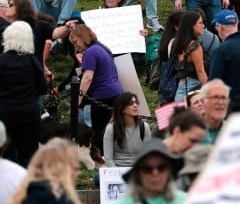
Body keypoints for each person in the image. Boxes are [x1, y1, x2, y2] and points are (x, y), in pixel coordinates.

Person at [71, 23, 124, 157]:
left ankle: (100, 156)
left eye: (75, 41)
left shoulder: (90, 52)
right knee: (112, 128)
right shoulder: (102, 47)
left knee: (99, 130)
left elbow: (87, 77)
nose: (75, 46)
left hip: (102, 94)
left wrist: (78, 98)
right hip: (116, 92)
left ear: (82, 37)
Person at [0, 22, 46, 167]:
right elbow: (43, 88)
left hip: (5, 112)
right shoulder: (32, 60)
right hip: (29, 112)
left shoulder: (1, 60)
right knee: (29, 154)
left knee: (7, 153)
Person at [6, 138, 81, 204]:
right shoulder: (58, 196)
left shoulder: (22, 193)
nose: (79, 173)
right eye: (76, 168)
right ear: (60, 168)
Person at [208, 10, 240, 100]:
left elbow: (213, 83)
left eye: (216, 27)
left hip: (229, 105)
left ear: (221, 27)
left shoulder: (221, 50)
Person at [118, 138, 187, 204]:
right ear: (138, 174)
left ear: (169, 171)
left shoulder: (186, 201)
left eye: (161, 168)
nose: (155, 173)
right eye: (147, 169)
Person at [103, 92, 150, 168]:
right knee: (98, 178)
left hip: (137, 169)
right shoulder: (111, 128)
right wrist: (118, 174)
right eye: (131, 103)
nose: (135, 105)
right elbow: (108, 158)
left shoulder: (144, 127)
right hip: (117, 168)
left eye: (136, 102)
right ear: (122, 108)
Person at [172, 11, 209, 100]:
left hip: (181, 87)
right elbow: (200, 72)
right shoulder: (195, 46)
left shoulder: (179, 43)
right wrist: (209, 92)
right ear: (191, 25)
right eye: (200, 23)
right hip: (194, 87)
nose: (203, 26)